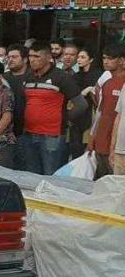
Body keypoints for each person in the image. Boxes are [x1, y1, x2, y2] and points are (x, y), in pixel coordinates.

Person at [20, 41, 88, 175]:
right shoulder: (28, 76)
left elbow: (81, 104)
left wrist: (65, 118)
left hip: (52, 136)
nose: (32, 60)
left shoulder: (61, 77)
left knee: (51, 175)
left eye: (37, 57)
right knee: (31, 175)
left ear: (48, 58)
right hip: (29, 133)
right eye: (30, 56)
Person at [87, 44, 125, 177]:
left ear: (121, 60)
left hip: (119, 145)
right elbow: (99, 112)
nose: (106, 61)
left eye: (110, 58)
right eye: (104, 58)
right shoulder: (106, 82)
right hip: (101, 140)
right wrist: (93, 138)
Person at [70, 47, 102, 159]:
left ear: (91, 59)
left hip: (92, 115)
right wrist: (86, 90)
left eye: (83, 57)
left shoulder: (98, 75)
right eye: (78, 57)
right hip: (77, 116)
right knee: (75, 149)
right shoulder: (75, 76)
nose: (79, 59)